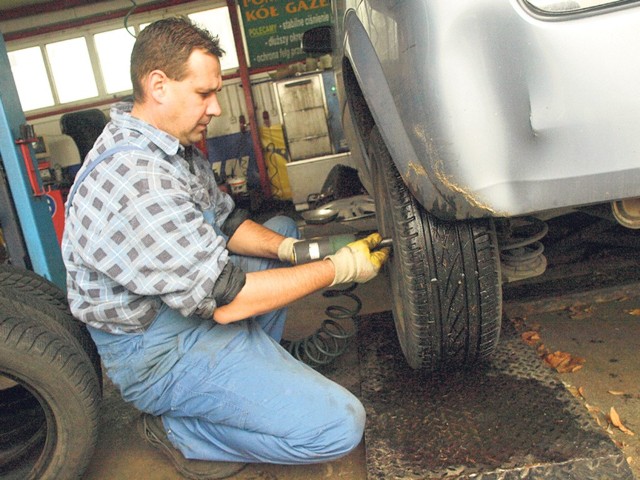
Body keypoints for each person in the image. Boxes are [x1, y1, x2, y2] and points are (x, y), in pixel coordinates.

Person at [61, 16, 389, 480]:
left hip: (179, 310)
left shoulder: (167, 145)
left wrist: (294, 253)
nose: (215, 107)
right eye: (204, 93)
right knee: (339, 427)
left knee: (277, 230)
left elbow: (227, 221)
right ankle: (181, 432)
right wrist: (336, 268)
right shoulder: (137, 178)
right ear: (158, 85)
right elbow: (227, 301)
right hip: (155, 351)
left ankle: (250, 371)